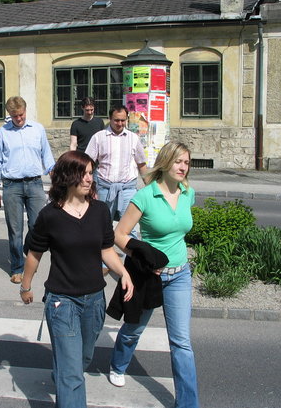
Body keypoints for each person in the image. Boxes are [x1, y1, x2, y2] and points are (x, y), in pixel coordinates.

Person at [20, 150, 133, 408]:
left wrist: (123, 272)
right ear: (67, 176)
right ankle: (66, 381)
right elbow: (34, 254)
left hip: (94, 301)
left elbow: (106, 250)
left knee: (82, 359)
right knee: (72, 374)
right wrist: (25, 286)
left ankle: (61, 372)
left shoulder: (100, 211)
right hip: (62, 302)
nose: (88, 179)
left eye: (91, 173)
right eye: (83, 174)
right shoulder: (50, 216)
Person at [108, 141, 199, 408]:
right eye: (179, 161)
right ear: (166, 161)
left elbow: (177, 230)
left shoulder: (187, 192)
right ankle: (118, 363)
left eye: (187, 162)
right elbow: (118, 235)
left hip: (180, 275)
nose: (183, 167)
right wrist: (141, 255)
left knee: (181, 342)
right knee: (134, 329)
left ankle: (188, 404)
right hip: (150, 276)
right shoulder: (145, 196)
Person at [0, 96, 55, 284]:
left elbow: (47, 156)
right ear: (9, 115)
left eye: (22, 114)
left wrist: (55, 177)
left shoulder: (37, 129)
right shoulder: (3, 132)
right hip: (12, 186)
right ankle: (17, 267)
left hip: (35, 184)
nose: (19, 118)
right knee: (15, 229)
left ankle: (28, 252)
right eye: (15, 116)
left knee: (38, 226)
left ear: (26, 110)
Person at [85, 105, 147, 223]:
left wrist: (150, 188)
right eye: (116, 120)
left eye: (123, 120)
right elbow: (87, 163)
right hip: (105, 189)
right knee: (102, 225)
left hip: (128, 189)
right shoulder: (98, 137)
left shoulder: (133, 138)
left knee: (129, 227)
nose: (120, 123)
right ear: (110, 118)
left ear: (127, 119)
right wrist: (90, 187)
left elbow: (141, 164)